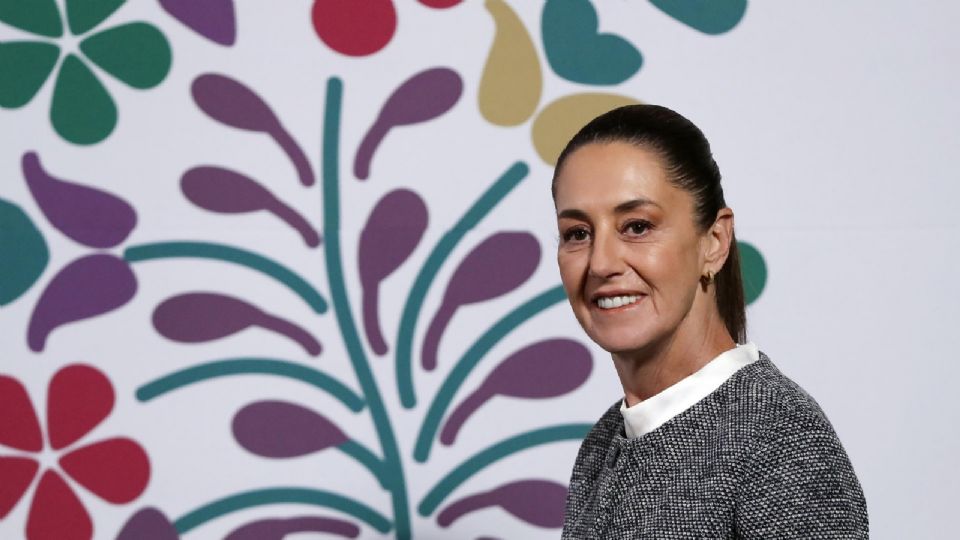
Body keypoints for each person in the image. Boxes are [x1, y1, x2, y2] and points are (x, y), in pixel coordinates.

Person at [553, 104, 868, 538]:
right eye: (577, 233)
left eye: (637, 226)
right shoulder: (604, 443)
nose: (602, 262)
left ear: (714, 242)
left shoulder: (776, 435)